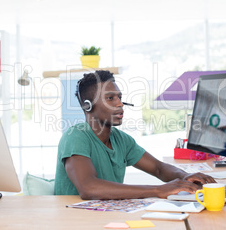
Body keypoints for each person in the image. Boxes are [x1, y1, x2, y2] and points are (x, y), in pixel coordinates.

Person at [54, 70, 215, 199]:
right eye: (110, 98)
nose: (119, 104)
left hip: (105, 217)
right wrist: (158, 190)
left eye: (120, 97)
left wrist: (186, 176)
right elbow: (89, 188)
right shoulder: (76, 136)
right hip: (75, 220)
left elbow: (158, 168)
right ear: (87, 106)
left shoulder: (121, 139)